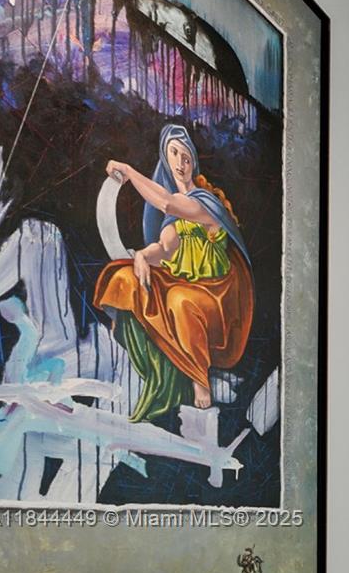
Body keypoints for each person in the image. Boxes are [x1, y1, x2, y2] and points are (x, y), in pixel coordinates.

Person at [95, 123, 254, 422]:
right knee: (124, 276)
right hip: (181, 282)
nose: (181, 163)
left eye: (186, 157)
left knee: (180, 300)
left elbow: (167, 202)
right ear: (165, 159)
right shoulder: (175, 215)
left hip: (216, 296)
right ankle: (148, 360)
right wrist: (143, 256)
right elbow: (166, 249)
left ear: (194, 162)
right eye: (174, 154)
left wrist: (129, 172)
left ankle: (199, 378)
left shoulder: (207, 203)